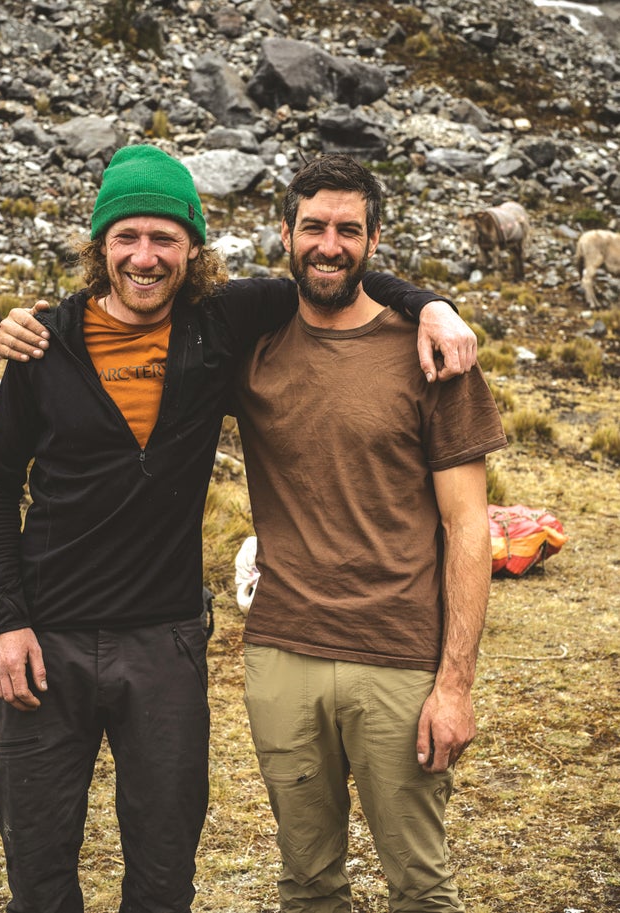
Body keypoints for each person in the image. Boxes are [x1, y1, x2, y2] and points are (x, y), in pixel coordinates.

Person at [0, 144, 477, 913]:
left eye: (165, 238)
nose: (145, 257)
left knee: (165, 873)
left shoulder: (222, 326)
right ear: (99, 244)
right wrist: (5, 619)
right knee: (38, 875)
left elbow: (334, 270)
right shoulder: (47, 343)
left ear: (193, 248)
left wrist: (432, 302)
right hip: (48, 641)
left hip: (166, 644)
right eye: (126, 237)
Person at [235, 154, 507, 912]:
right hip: (282, 651)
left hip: (398, 659)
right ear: (284, 232)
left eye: (348, 229)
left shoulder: (431, 355)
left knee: (419, 884)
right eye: (313, 226)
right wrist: (37, 325)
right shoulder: (250, 347)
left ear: (374, 240)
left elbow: (467, 528)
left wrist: (455, 684)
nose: (330, 244)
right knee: (307, 881)